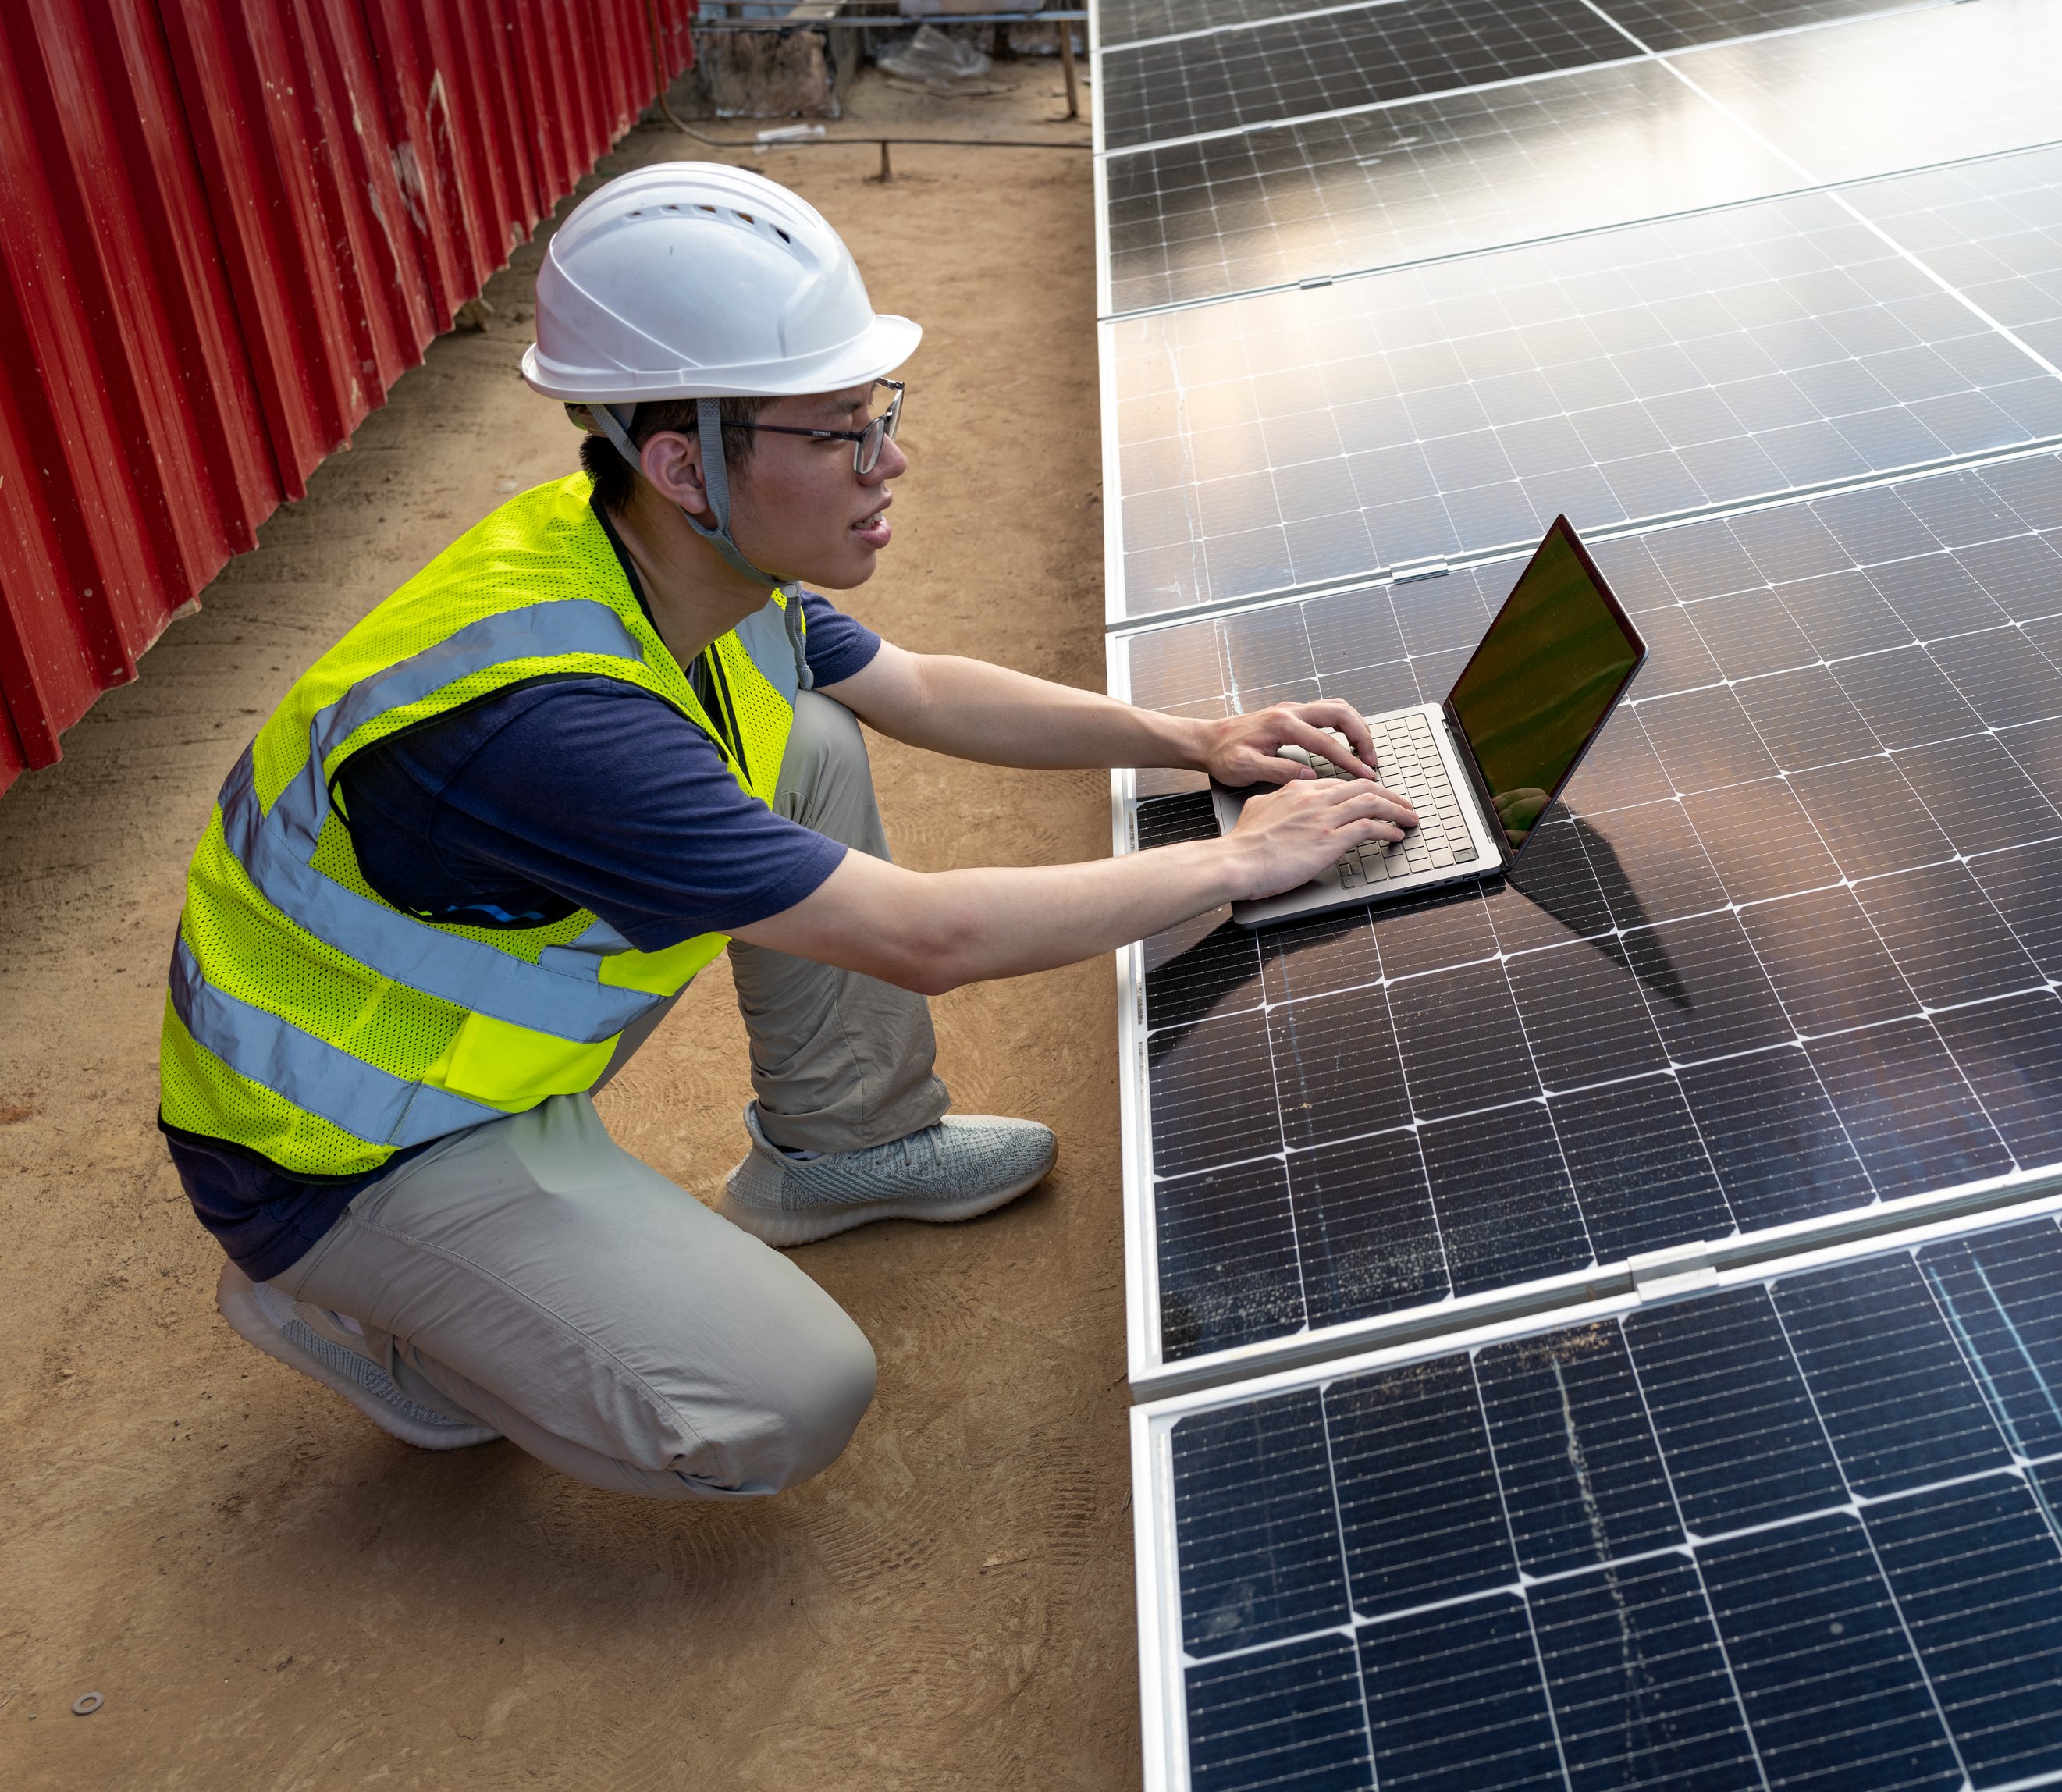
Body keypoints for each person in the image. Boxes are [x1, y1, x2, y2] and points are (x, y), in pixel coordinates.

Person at [159, 162, 1418, 1500]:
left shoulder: (676, 557)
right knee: (788, 1398)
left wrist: (1194, 742)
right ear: (681, 461)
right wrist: (1241, 856)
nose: (891, 461)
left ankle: (845, 1148)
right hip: (344, 1150)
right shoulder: (554, 722)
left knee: (803, 737)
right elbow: (924, 936)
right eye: (838, 433)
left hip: (471, 1038)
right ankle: (382, 1325)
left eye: (880, 415)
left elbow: (921, 689)